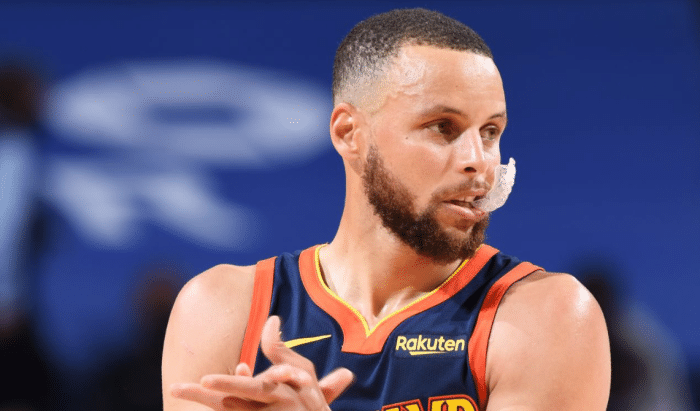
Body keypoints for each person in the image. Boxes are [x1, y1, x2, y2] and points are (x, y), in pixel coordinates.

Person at [162, 8, 611, 411]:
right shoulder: (223, 309)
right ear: (349, 133)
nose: (479, 161)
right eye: (443, 127)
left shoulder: (546, 316)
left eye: (490, 131)